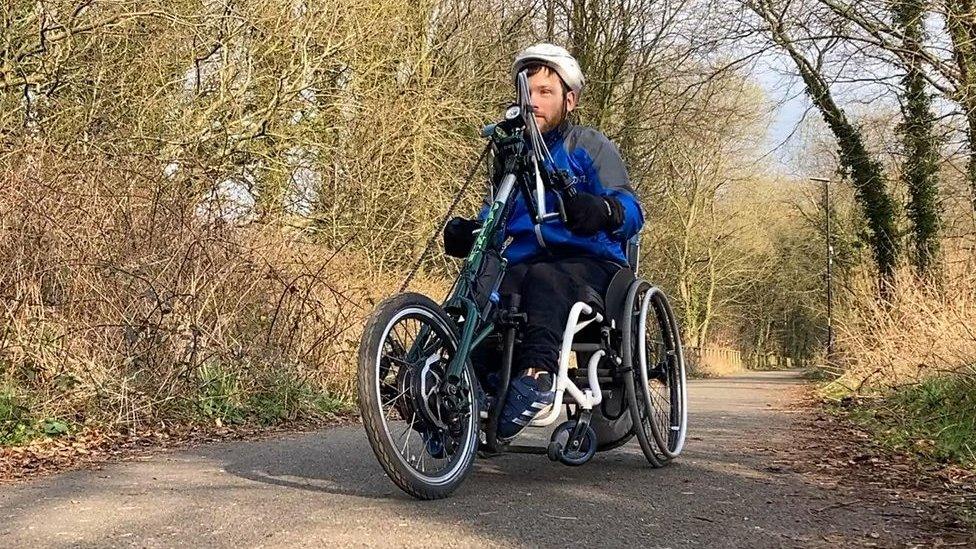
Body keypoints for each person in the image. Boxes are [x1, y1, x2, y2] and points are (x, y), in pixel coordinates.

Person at [443, 43, 644, 440]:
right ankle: (464, 391)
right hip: (525, 261)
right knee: (486, 289)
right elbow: (498, 213)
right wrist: (473, 230)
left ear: (569, 99)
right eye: (526, 92)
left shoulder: (587, 146)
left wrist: (604, 211)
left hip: (590, 262)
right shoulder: (511, 155)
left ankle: (537, 378)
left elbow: (632, 208)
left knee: (544, 280)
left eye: (544, 92)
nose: (533, 101)